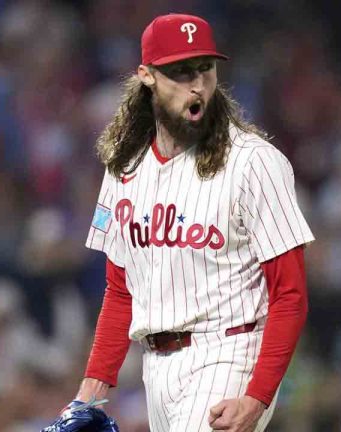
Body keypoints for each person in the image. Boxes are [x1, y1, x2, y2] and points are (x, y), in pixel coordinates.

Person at [52, 13, 314, 432]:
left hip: (228, 353)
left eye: (204, 69)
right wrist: (89, 394)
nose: (197, 85)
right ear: (147, 76)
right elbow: (121, 292)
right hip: (155, 368)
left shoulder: (254, 162)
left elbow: (290, 294)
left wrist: (257, 395)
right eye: (179, 72)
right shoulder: (124, 166)